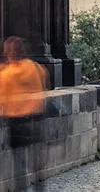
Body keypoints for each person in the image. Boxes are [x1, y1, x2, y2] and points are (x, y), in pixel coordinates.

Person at [0, 36, 49, 188]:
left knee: (19, 167)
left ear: (7, 53)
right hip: (36, 118)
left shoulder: (6, 75)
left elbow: (2, 101)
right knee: (36, 165)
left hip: (17, 122)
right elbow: (44, 83)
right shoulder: (35, 68)